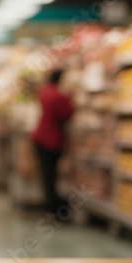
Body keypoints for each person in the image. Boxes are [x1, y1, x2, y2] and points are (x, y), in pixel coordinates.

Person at [31, 69, 75, 213]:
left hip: (40, 136)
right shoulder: (59, 95)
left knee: (47, 174)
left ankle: (50, 203)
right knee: (51, 174)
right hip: (52, 139)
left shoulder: (44, 92)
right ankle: (53, 206)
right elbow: (67, 113)